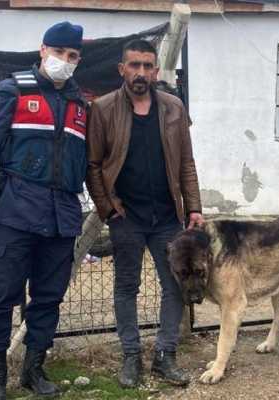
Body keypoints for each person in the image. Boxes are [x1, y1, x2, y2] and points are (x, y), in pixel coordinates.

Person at [0, 21, 88, 400]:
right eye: (59, 53)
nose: (64, 62)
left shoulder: (80, 105)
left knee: (49, 298)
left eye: (72, 57)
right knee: (1, 295)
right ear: (42, 50)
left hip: (61, 215)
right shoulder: (11, 91)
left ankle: (34, 369)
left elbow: (86, 161)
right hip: (15, 212)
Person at [86, 39, 203, 388]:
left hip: (168, 216)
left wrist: (193, 206)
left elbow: (186, 162)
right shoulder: (104, 109)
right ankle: (131, 356)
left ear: (155, 70)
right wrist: (108, 209)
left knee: (174, 286)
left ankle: (165, 356)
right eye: (134, 65)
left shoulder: (173, 108)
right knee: (126, 287)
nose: (140, 73)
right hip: (127, 217)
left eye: (147, 66)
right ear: (122, 69)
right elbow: (92, 165)